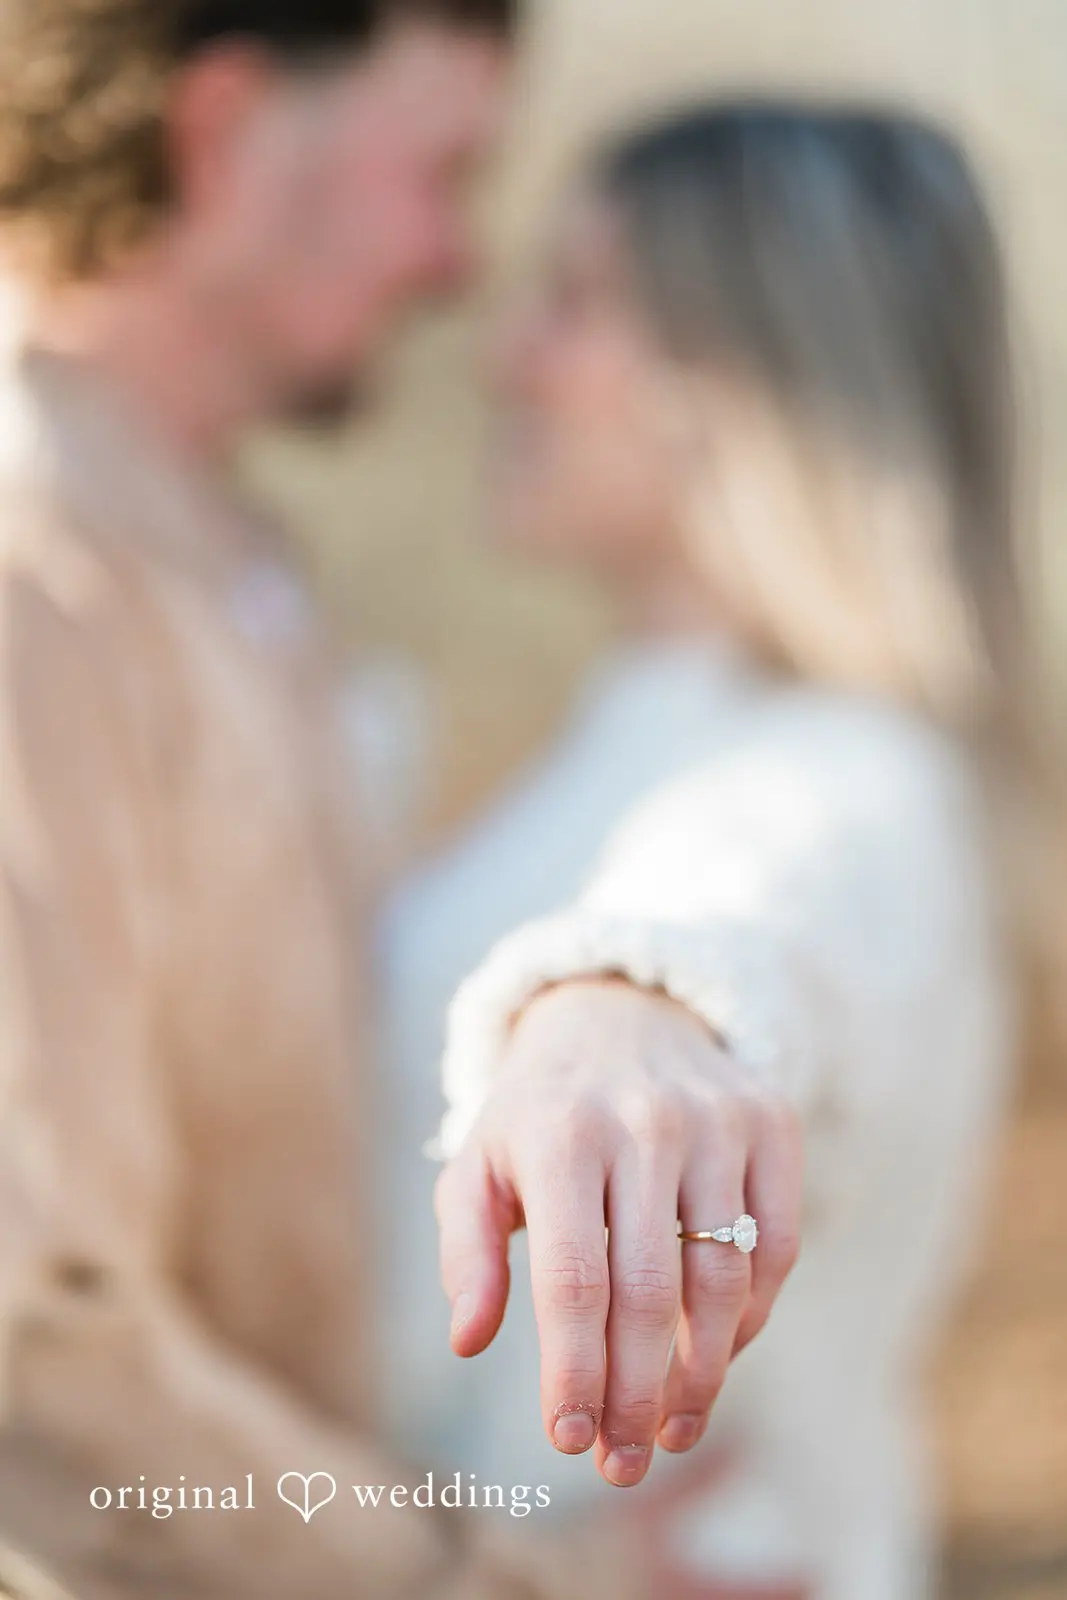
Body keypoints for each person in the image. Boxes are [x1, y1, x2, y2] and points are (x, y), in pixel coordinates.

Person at [0, 5, 805, 1597]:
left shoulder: (222, 563)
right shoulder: (35, 584)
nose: (455, 263)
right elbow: (34, 1357)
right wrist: (504, 1582)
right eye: (438, 169)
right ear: (225, 131)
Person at [422, 103, 1066, 1598]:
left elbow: (756, 900)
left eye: (576, 303)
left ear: (753, 373)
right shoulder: (631, 731)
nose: (502, 357)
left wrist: (622, 1009)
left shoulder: (850, 775)